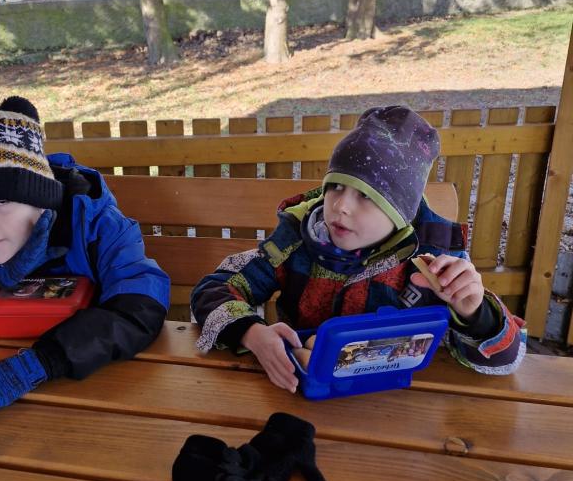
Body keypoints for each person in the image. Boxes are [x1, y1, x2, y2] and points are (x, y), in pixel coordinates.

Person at [190, 106, 525, 392]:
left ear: (399, 211)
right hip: (300, 392)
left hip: (399, 408)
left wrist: (476, 314)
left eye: (366, 195)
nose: (341, 206)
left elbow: (503, 360)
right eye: (336, 186)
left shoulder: (435, 264)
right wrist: (251, 333)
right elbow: (214, 289)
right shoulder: (296, 243)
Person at [0, 96, 170, 428]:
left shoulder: (100, 226)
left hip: (98, 398)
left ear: (40, 202)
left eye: (2, 201)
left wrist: (38, 364)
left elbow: (141, 306)